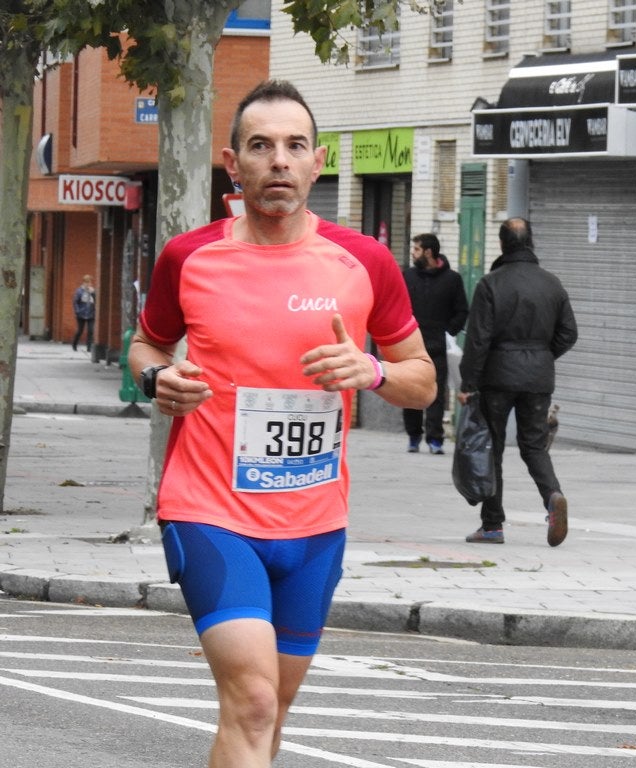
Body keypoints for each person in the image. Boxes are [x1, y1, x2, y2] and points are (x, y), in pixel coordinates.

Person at [128, 80, 435, 768]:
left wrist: (373, 372)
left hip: (314, 524)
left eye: (295, 146)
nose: (279, 161)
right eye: (261, 146)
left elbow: (423, 379)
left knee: (271, 713)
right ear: (233, 164)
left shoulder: (365, 263)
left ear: (318, 161)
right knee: (255, 701)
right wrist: (156, 378)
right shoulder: (191, 256)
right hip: (210, 510)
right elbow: (146, 345)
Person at [458, 217, 578, 547]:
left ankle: (492, 525)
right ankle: (553, 496)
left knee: (491, 447)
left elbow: (478, 340)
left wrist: (468, 383)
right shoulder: (551, 283)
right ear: (531, 242)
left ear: (502, 244)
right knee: (534, 445)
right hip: (538, 378)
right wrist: (541, 356)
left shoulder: (490, 284)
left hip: (496, 378)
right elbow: (570, 333)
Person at [402, 233, 468, 454]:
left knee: (436, 394)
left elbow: (461, 311)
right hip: (409, 347)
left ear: (429, 252)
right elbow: (397, 307)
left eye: (417, 249)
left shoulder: (452, 279)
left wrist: (448, 333)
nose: (413, 253)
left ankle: (435, 438)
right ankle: (413, 435)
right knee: (410, 392)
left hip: (437, 347)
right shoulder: (407, 277)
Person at [71, 274, 95, 352]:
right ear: (84, 283)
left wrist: (93, 293)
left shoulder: (93, 291)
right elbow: (75, 302)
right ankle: (74, 344)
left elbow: (96, 301)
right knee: (80, 330)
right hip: (81, 314)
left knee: (90, 330)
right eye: (87, 282)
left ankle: (89, 347)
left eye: (90, 282)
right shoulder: (79, 291)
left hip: (91, 314)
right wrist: (77, 311)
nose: (88, 284)